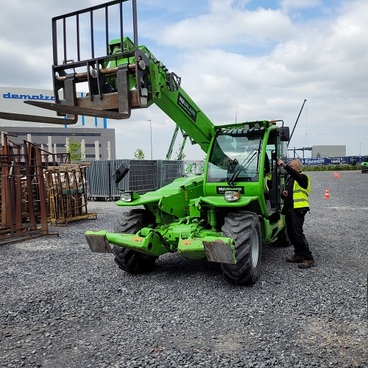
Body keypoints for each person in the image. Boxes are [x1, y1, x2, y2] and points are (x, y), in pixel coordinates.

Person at [276, 158, 314, 269]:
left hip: (299, 209)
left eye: (292, 166)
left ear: (298, 168)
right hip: (289, 209)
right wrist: (284, 194)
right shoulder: (290, 179)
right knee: (291, 234)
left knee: (298, 234)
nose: (290, 167)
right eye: (290, 165)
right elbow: (285, 195)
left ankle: (309, 258)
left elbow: (296, 176)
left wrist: (284, 166)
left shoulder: (303, 177)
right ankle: (298, 255)